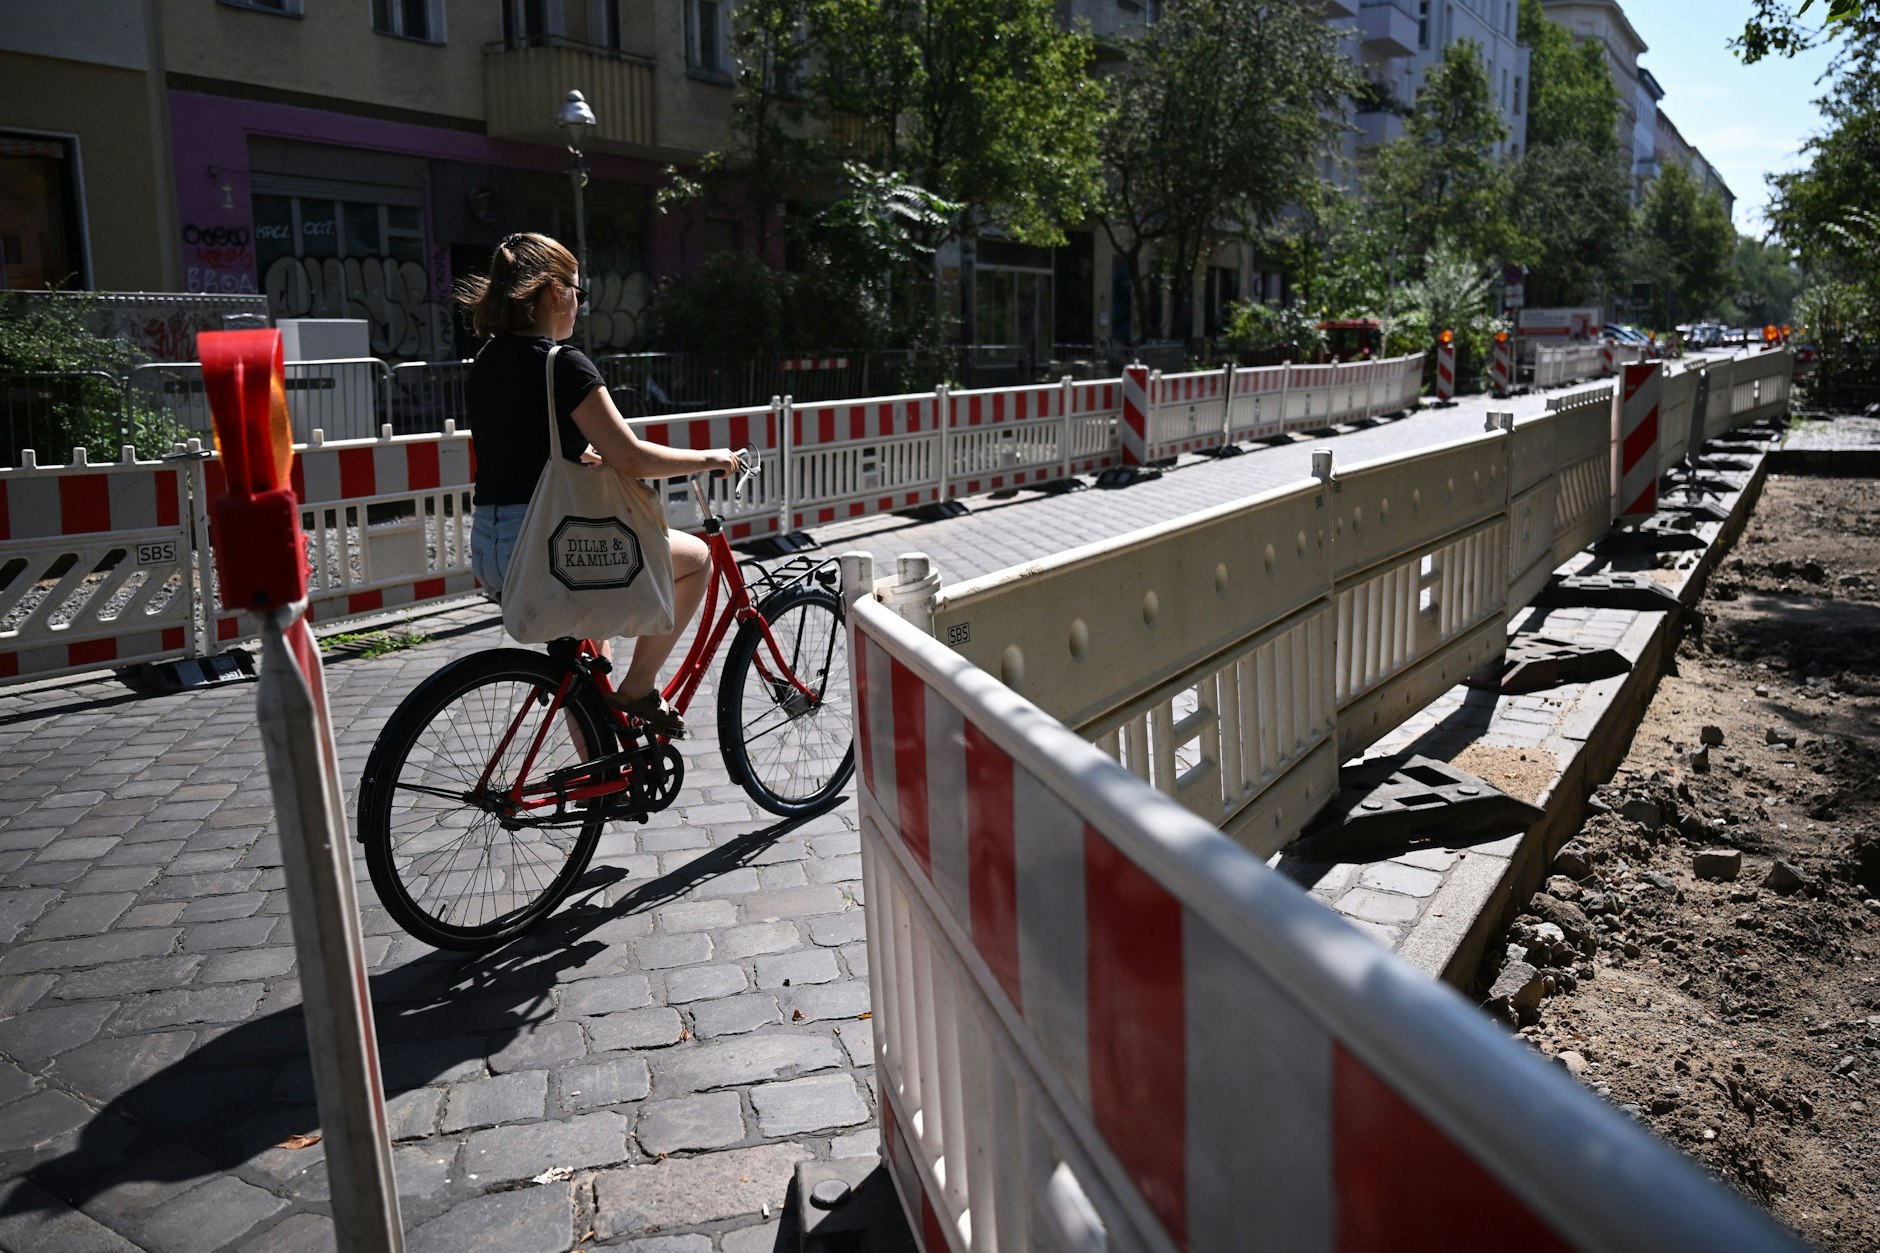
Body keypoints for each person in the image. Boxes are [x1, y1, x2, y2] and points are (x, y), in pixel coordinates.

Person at [457, 232, 738, 738]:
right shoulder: (561, 364)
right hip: (549, 549)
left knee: (587, 659)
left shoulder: (486, 362)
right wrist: (706, 457)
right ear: (551, 291)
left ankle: (600, 782)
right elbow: (630, 457)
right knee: (696, 559)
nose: (579, 307)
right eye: (578, 293)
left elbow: (521, 448)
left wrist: (572, 454)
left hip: (495, 553)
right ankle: (640, 687)